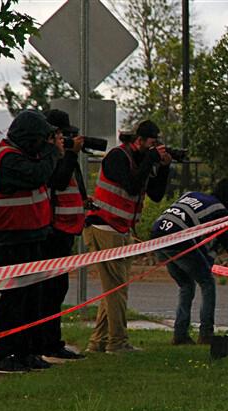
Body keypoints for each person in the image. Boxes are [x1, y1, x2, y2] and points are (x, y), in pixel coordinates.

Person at [83, 120, 171, 354]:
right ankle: (117, 342)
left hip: (120, 229)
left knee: (114, 289)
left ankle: (98, 342)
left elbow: (156, 194)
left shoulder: (143, 160)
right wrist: (150, 161)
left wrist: (163, 167)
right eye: (151, 144)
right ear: (138, 140)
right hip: (104, 227)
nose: (154, 148)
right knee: (117, 289)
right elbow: (131, 186)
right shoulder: (117, 157)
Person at [0, 110, 59, 373]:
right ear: (29, 137)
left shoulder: (21, 154)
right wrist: (53, 152)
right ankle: (5, 355)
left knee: (32, 298)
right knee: (14, 300)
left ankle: (26, 352)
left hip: (29, 235)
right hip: (9, 239)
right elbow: (37, 175)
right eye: (42, 138)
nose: (44, 143)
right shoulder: (8, 159)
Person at [151, 179, 228, 345]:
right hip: (179, 240)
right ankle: (206, 334)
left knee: (186, 285)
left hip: (157, 237)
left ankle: (180, 335)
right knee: (207, 283)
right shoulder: (219, 210)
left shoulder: (192, 195)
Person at [39, 109, 87, 362]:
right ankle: (45, 342)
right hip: (53, 230)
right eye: (61, 135)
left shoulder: (63, 155)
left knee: (57, 289)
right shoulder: (48, 156)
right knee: (49, 290)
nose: (64, 140)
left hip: (66, 230)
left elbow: (70, 182)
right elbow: (57, 182)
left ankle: (52, 341)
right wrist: (70, 153)